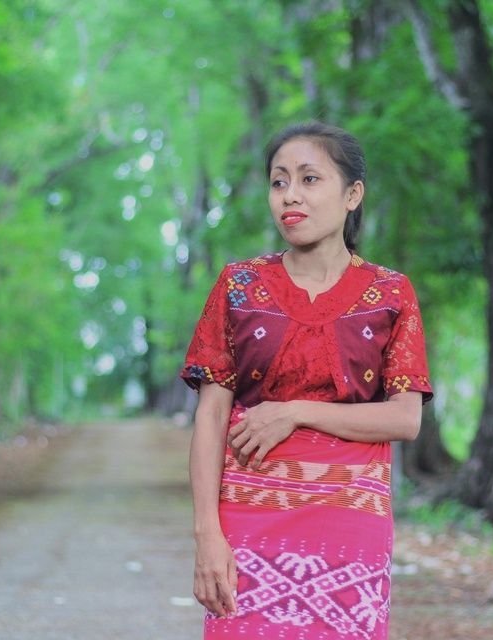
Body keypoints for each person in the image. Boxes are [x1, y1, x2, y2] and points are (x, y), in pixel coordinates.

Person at [181, 121, 432, 639]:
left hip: (350, 529)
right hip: (247, 521)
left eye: (309, 179)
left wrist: (294, 412)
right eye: (279, 181)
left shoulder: (391, 293)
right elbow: (211, 415)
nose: (289, 195)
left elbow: (405, 419)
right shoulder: (238, 285)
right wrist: (207, 535)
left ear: (352, 194)